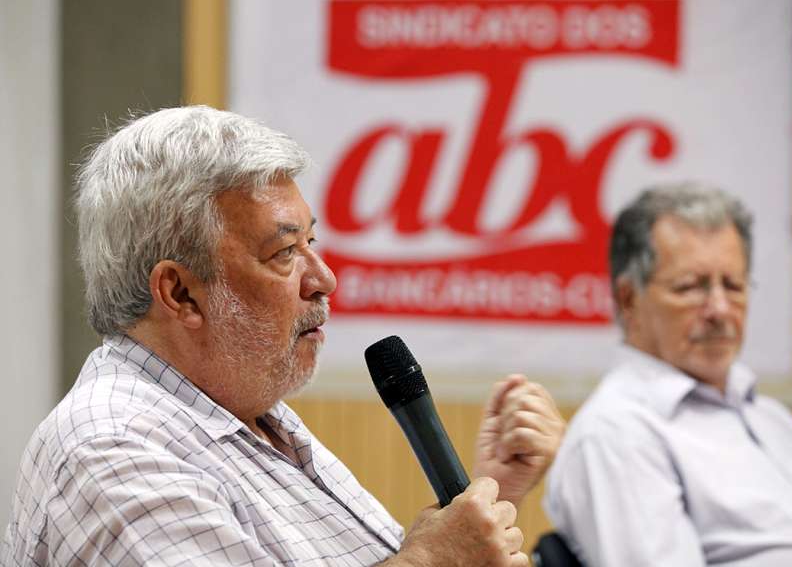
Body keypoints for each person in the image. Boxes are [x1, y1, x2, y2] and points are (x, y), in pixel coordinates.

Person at [1, 106, 565, 566]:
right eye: (284, 252)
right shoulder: (115, 452)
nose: (324, 279)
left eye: (310, 243)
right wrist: (434, 562)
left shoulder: (246, 414)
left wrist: (483, 502)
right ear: (180, 293)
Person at [544, 182, 792, 566]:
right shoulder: (616, 432)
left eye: (733, 285)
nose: (719, 309)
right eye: (690, 288)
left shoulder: (775, 421)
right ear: (628, 299)